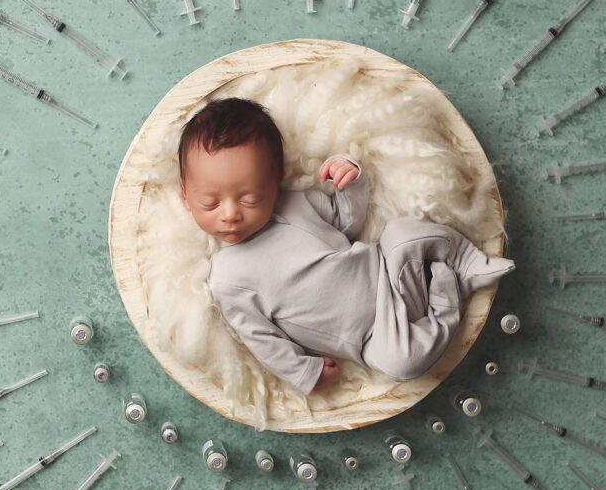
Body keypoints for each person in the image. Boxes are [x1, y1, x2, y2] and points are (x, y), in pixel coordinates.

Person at [178, 97, 514, 395]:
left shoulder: (296, 205)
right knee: (405, 365)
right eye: (210, 202)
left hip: (386, 268)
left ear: (275, 182)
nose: (231, 213)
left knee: (402, 235)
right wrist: (303, 371)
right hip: (371, 336)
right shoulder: (226, 276)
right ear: (186, 195)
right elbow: (261, 338)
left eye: (251, 198)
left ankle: (468, 263)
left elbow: (349, 222)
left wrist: (350, 179)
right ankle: (446, 294)